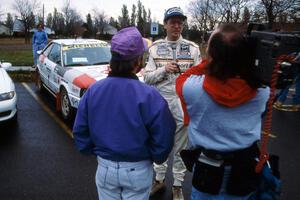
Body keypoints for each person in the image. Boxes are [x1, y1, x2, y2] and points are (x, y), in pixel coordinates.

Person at [72, 27, 176, 200]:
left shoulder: (93, 91)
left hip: (105, 168)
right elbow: (164, 135)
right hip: (138, 169)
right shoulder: (149, 95)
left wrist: (92, 150)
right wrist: (156, 156)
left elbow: (80, 131)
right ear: (138, 62)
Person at [176, 24, 270, 199]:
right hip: (244, 168)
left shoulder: (193, 89)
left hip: (207, 169)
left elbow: (181, 78)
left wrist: (210, 61)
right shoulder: (262, 91)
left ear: (211, 56)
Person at [144, 6, 201, 200]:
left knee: (181, 148)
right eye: (172, 22)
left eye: (180, 22)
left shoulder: (193, 49)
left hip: (184, 105)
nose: (176, 25)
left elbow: (201, 79)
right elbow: (147, 79)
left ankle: (177, 185)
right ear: (165, 24)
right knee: (160, 144)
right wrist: (164, 70)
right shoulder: (154, 47)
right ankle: (159, 180)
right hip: (161, 105)